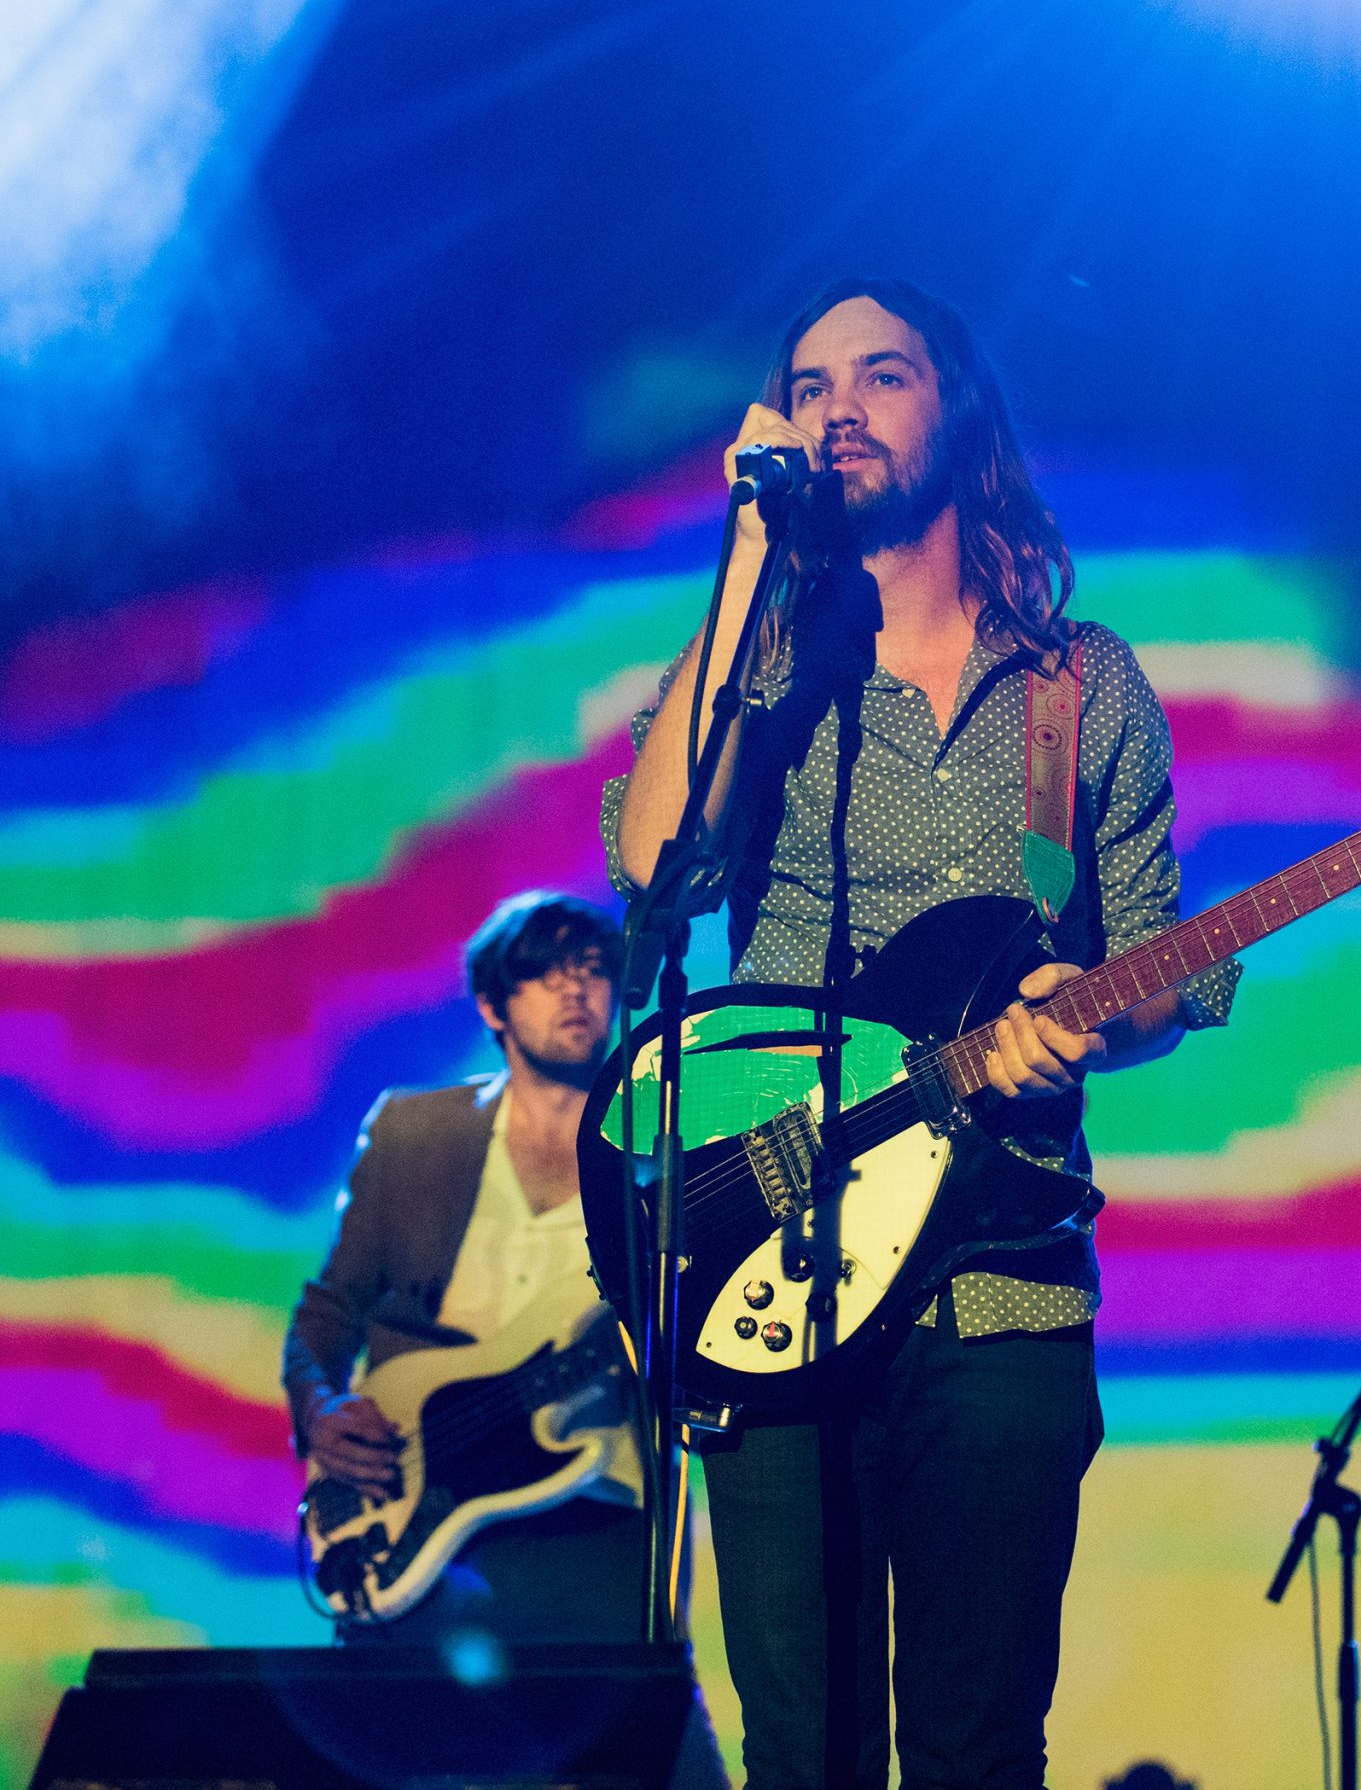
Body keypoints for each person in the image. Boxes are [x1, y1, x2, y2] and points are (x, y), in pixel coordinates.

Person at [602, 277, 1235, 1790]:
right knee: (802, 1752)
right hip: (777, 1263)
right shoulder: (761, 671)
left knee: (978, 1748)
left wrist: (1087, 1014)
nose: (838, 411)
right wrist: (747, 557)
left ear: (957, 411)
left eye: (879, 376)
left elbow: (1159, 966)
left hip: (1004, 1283)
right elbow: (653, 859)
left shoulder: (1081, 684)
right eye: (810, 385)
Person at [283, 891, 649, 1640]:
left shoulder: (659, 1154)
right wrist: (319, 1412)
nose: (576, 988)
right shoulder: (415, 1132)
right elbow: (329, 1308)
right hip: (415, 1499)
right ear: (492, 1004)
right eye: (545, 971)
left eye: (592, 968)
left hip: (595, 1504)